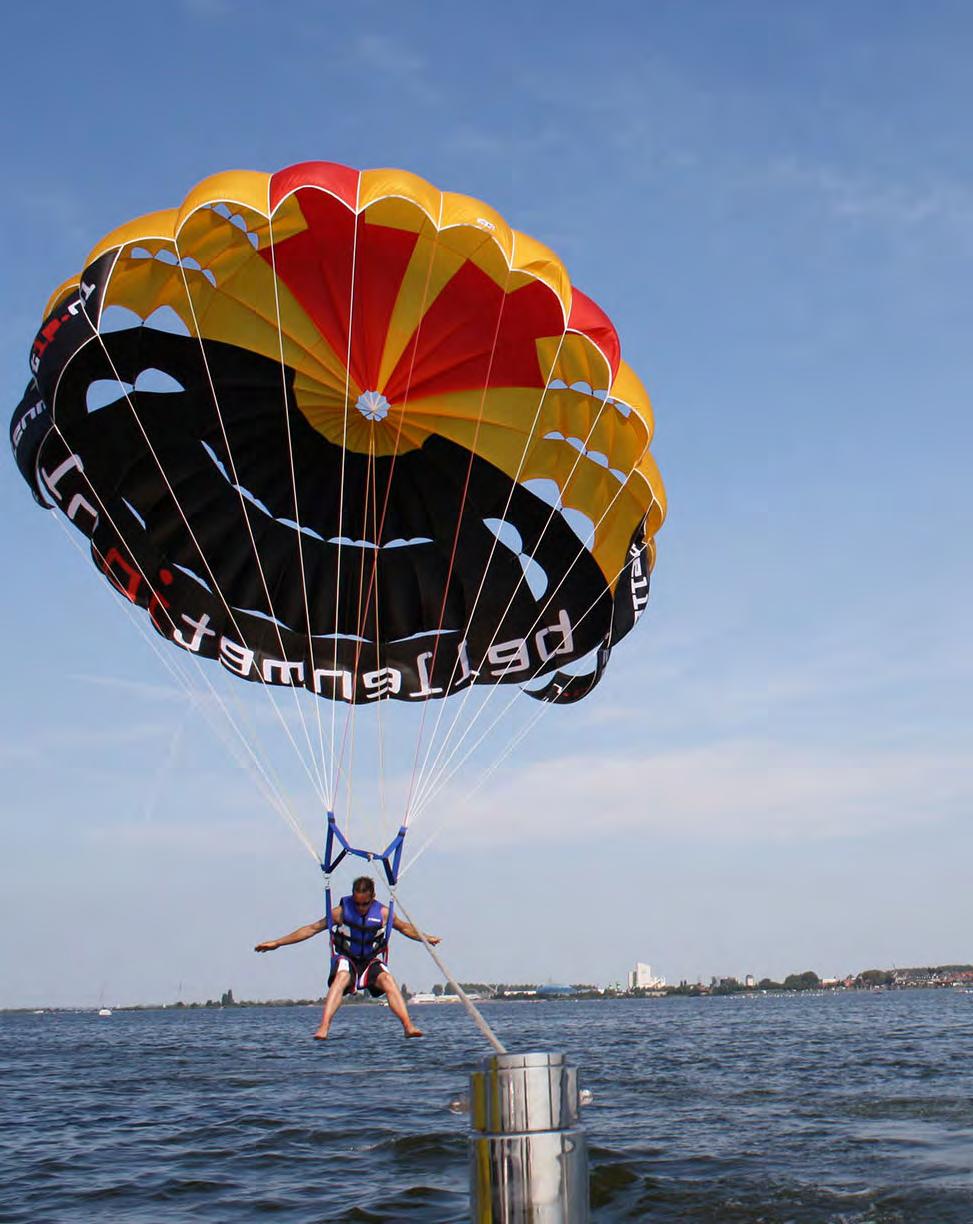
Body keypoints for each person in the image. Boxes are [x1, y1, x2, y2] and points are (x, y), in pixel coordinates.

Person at [255, 875, 440, 1040]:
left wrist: (426, 937)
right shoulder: (340, 912)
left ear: (372, 898)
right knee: (342, 977)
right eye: (357, 903)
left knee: (388, 980)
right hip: (347, 958)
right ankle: (324, 1027)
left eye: (365, 904)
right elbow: (311, 929)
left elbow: (406, 928)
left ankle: (408, 1026)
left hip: (370, 960)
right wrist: (277, 943)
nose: (360, 908)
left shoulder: (383, 913)